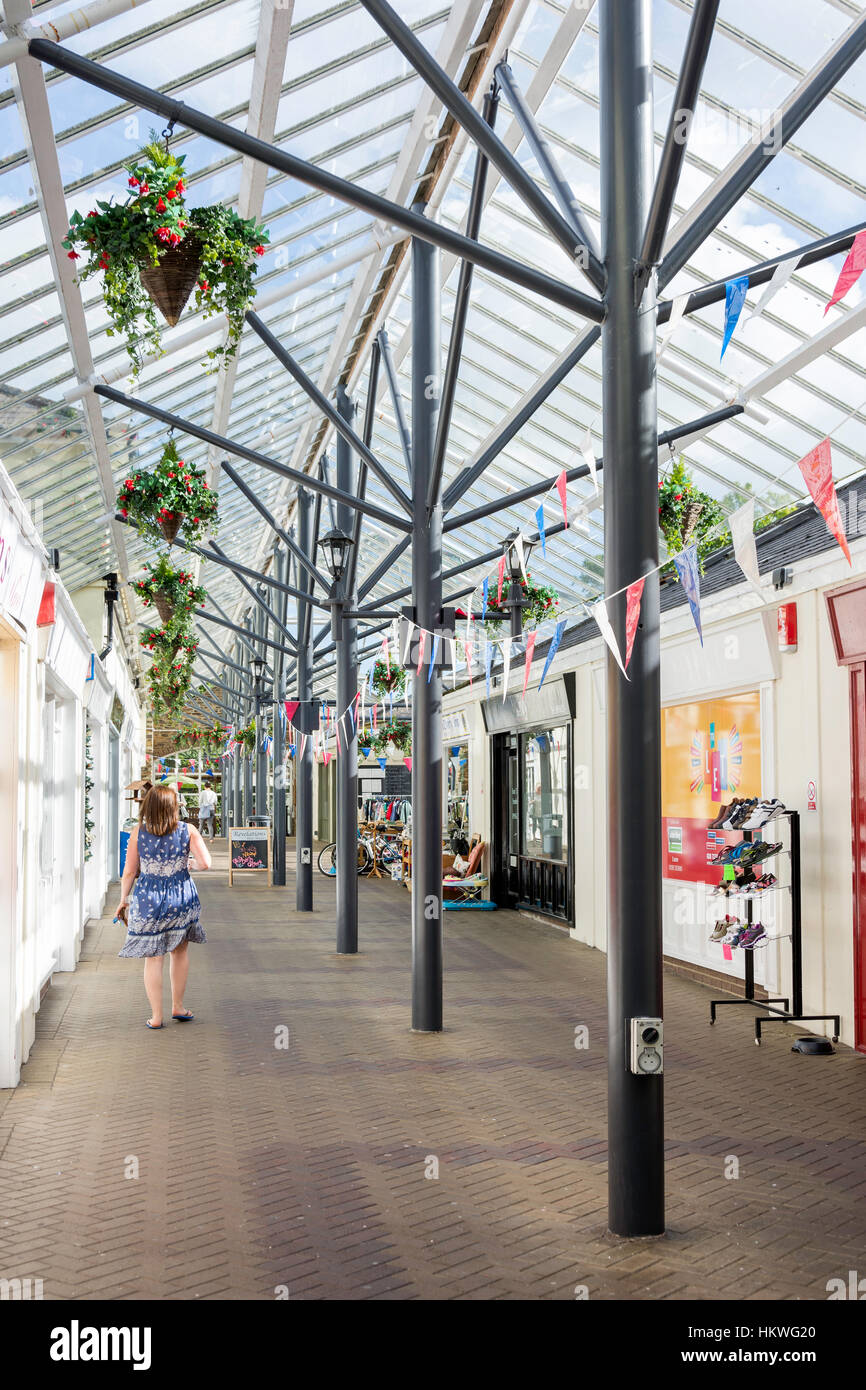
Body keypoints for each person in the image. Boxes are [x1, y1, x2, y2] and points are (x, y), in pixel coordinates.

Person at [115, 784, 212, 1029]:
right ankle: (178, 1007)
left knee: (153, 957)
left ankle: (156, 1017)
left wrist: (123, 899)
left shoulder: (139, 832)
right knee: (179, 952)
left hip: (149, 899)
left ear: (148, 807)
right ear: (174, 807)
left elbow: (129, 872)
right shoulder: (187, 830)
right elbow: (206, 864)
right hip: (181, 897)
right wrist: (188, 864)